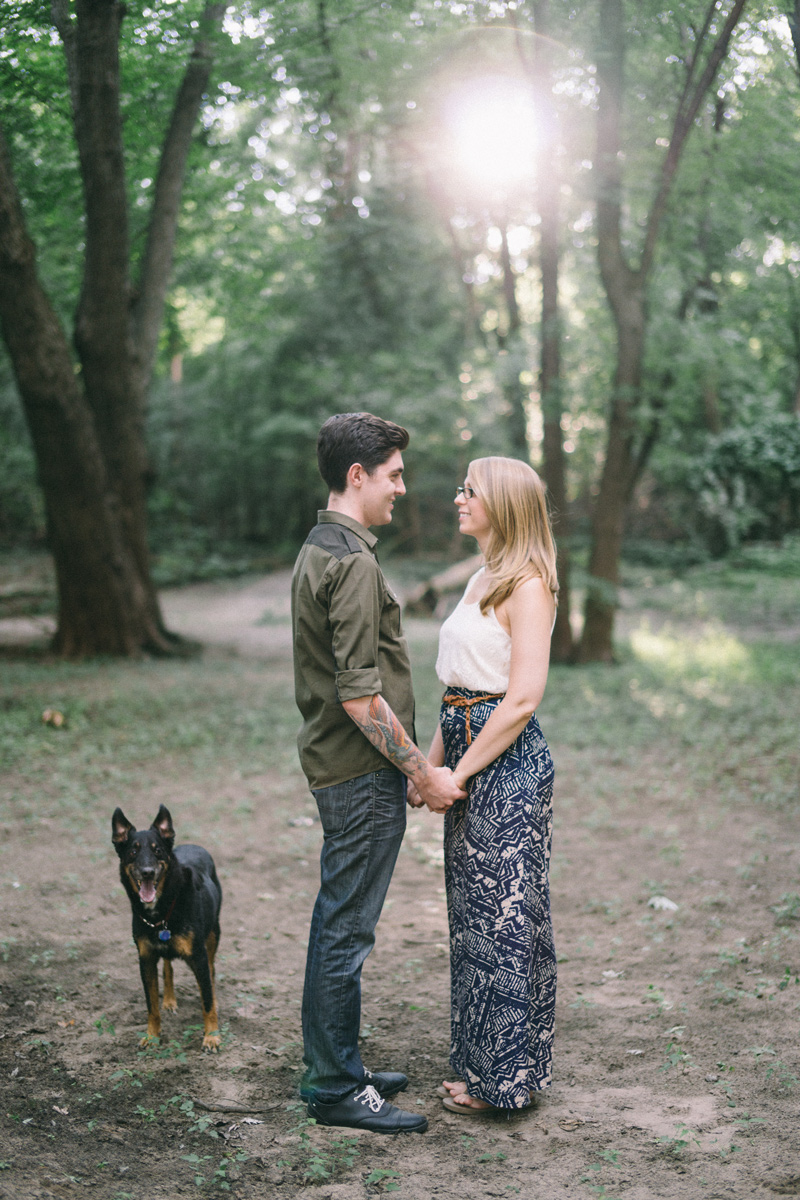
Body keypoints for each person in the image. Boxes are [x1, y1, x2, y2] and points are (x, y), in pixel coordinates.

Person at [291, 411, 466, 1134]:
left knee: (340, 921)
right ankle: (335, 1086)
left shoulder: (320, 547)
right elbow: (360, 696)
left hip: (344, 769)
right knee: (346, 929)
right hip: (360, 773)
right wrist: (422, 772)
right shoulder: (354, 563)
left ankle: (339, 1065)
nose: (403, 487)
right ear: (356, 476)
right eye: (394, 475)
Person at [430, 456, 558, 1113]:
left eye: (469, 490)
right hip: (466, 751)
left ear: (501, 504)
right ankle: (484, 1067)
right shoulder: (483, 575)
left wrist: (458, 770)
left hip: (505, 768)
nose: (458, 498)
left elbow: (520, 699)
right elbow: (458, 685)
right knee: (475, 922)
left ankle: (505, 1079)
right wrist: (431, 766)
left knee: (503, 923)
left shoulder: (528, 585)